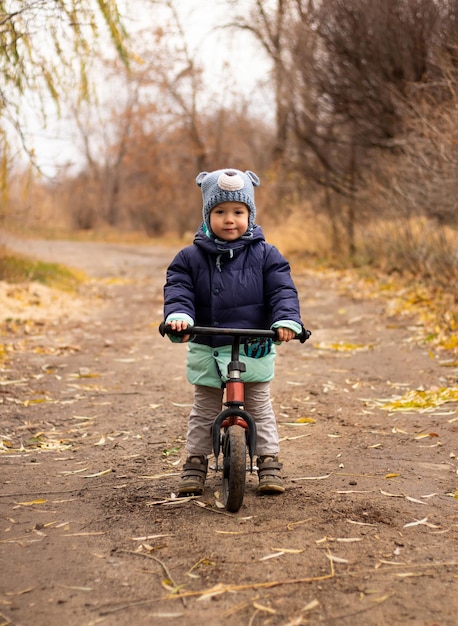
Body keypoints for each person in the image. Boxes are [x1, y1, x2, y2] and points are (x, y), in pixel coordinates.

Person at [163, 168, 304, 496]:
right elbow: (179, 288)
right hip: (207, 345)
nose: (230, 219)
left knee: (259, 405)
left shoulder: (267, 255)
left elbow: (282, 291)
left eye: (238, 212)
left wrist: (285, 322)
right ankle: (196, 461)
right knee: (205, 408)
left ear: (250, 215)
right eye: (220, 211)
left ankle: (268, 459)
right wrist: (180, 317)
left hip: (252, 345)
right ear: (207, 215)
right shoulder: (190, 258)